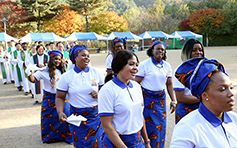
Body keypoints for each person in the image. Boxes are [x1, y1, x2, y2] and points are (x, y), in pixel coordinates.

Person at [170, 57, 237, 147]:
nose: (231, 94)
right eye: (223, 89)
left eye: (231, 88)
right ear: (205, 95)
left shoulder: (234, 119)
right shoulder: (187, 128)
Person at [98, 50, 151, 148]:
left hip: (137, 141)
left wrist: (147, 142)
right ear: (120, 65)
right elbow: (107, 126)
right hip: (116, 142)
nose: (136, 68)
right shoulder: (107, 90)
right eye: (131, 64)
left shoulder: (136, 87)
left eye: (136, 65)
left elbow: (139, 116)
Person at [56, 44, 104, 147]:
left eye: (88, 55)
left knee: (98, 143)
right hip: (77, 119)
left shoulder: (96, 73)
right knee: (80, 144)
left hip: (95, 116)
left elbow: (106, 93)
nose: (87, 57)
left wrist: (99, 94)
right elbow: (60, 97)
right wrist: (60, 112)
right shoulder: (67, 77)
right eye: (83, 55)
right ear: (75, 58)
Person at [135, 40, 176, 148]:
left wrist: (173, 100)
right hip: (147, 101)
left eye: (162, 49)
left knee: (160, 127)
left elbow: (169, 84)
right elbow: (135, 83)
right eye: (158, 48)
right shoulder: (144, 65)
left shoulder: (167, 66)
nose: (160, 51)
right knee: (148, 127)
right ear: (152, 50)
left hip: (161, 101)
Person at [28, 50, 72, 144]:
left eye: (59, 59)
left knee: (66, 115)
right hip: (49, 98)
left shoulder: (63, 71)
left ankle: (67, 136)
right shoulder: (44, 71)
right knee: (48, 118)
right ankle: (51, 137)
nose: (58, 61)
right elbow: (33, 80)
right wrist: (29, 73)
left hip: (63, 97)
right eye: (56, 59)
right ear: (51, 59)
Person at [173, 39, 205, 124]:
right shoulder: (180, 71)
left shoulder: (206, 70)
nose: (198, 52)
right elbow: (180, 98)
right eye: (194, 50)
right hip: (186, 111)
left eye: (200, 50)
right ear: (187, 52)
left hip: (202, 109)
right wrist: (203, 98)